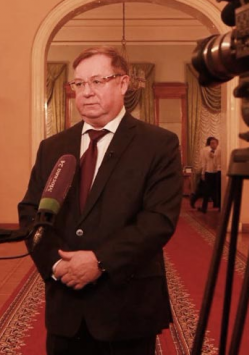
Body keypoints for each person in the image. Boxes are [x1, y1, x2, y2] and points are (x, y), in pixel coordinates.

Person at [18, 46, 182, 355]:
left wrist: (100, 261)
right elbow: (31, 212)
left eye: (97, 81)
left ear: (123, 83)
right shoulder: (52, 147)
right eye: (79, 83)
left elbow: (158, 220)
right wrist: (56, 264)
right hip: (66, 306)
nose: (86, 92)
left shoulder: (158, 144)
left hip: (127, 306)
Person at [191, 137, 221, 213]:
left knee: (216, 189)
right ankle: (204, 207)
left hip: (217, 172)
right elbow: (203, 162)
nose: (212, 145)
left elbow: (219, 162)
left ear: (217, 144)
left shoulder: (220, 151)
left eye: (214, 143)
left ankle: (217, 205)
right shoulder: (205, 151)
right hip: (208, 172)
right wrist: (203, 173)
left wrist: (214, 156)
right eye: (211, 143)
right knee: (206, 190)